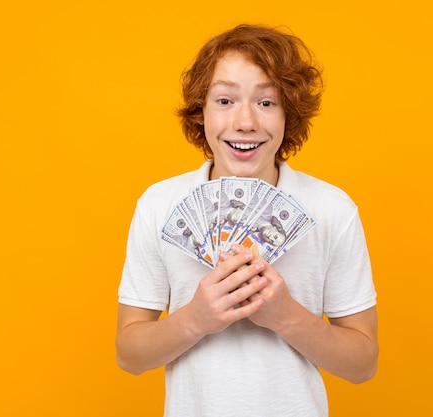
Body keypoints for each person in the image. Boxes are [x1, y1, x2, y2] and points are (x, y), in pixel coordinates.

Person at [116, 23, 378, 417]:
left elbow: (363, 364)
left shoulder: (332, 209)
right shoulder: (159, 204)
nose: (245, 122)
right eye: (224, 100)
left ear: (289, 113)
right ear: (200, 110)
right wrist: (196, 319)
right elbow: (129, 355)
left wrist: (287, 317)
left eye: (267, 102)